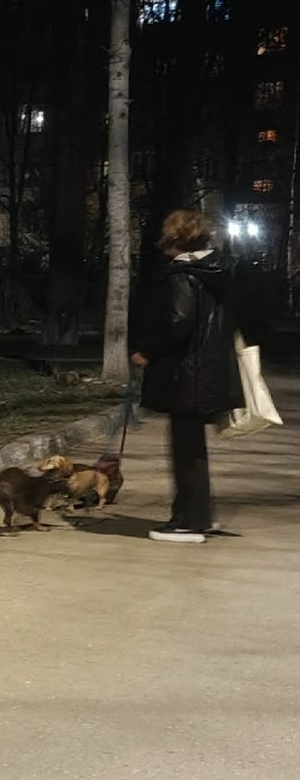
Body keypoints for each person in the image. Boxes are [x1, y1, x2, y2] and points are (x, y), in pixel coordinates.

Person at [130, 209, 242, 544]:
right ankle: (200, 516)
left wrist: (147, 351)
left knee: (184, 451)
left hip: (186, 375)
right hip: (207, 373)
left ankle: (188, 522)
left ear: (175, 239)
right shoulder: (213, 272)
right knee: (193, 450)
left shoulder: (181, 275)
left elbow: (178, 322)